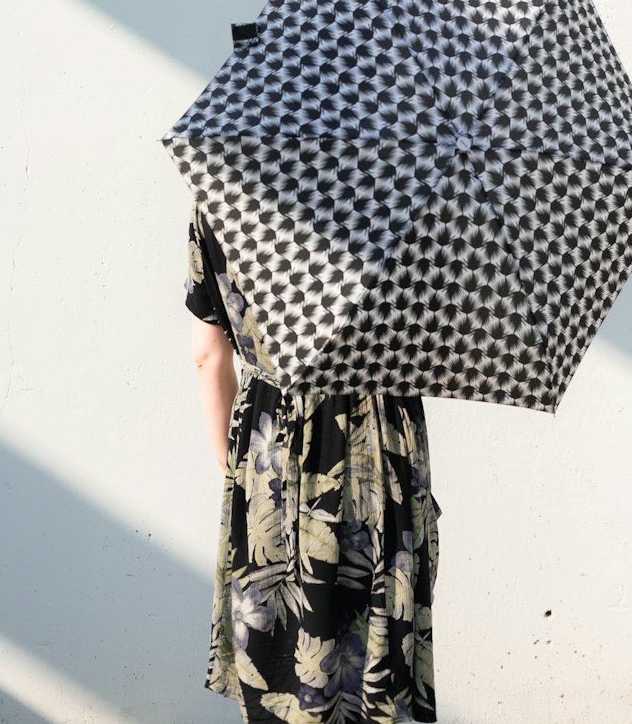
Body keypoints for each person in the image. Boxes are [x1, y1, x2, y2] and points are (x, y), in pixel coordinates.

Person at [185, 200, 442, 724]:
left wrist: (232, 457)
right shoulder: (407, 183)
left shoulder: (222, 191)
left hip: (271, 441)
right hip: (379, 432)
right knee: (373, 642)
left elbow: (208, 353)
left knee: (278, 641)